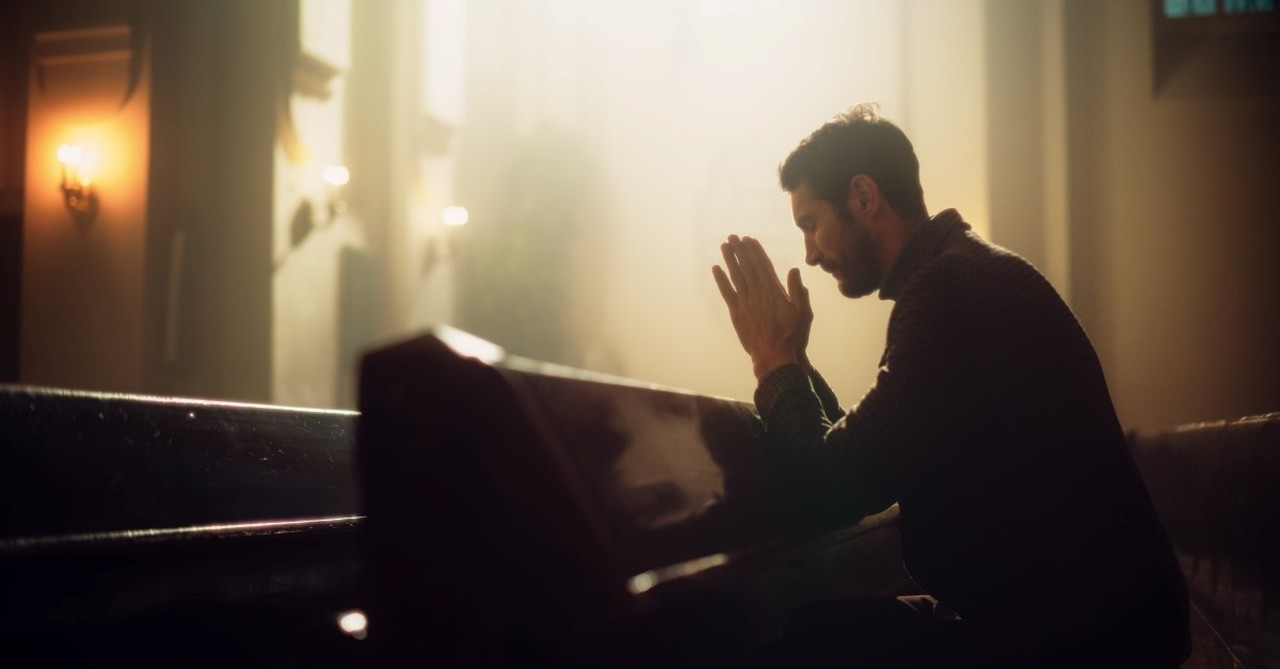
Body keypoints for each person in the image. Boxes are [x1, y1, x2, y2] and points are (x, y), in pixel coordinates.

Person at [711, 104, 1189, 667]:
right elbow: (872, 451)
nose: (811, 255)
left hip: (1087, 635)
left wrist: (772, 361)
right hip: (1090, 616)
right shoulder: (957, 273)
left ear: (863, 197)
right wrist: (794, 359)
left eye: (811, 224)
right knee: (816, 631)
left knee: (793, 652)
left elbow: (836, 483)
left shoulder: (951, 290)